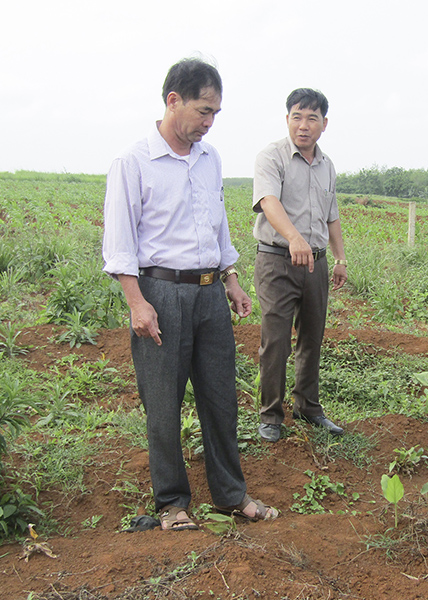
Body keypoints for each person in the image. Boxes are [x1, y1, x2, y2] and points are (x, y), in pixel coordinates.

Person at [102, 58, 278, 529]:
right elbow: (119, 245)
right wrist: (137, 302)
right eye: (203, 110)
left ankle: (229, 494)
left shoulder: (209, 158)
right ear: (172, 100)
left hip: (208, 294)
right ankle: (173, 503)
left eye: (216, 113)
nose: (209, 122)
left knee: (221, 398)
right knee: (163, 402)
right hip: (160, 292)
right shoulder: (133, 162)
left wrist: (232, 278)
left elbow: (215, 226)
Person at [252, 88, 347, 442]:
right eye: (296, 116)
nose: (303, 125)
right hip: (277, 260)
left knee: (312, 336)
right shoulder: (271, 157)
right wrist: (294, 238)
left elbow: (331, 214)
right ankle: (271, 415)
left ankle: (308, 406)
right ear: (287, 118)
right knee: (275, 339)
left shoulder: (327, 166)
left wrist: (339, 258)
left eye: (311, 118)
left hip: (316, 266)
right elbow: (268, 201)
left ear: (324, 123)